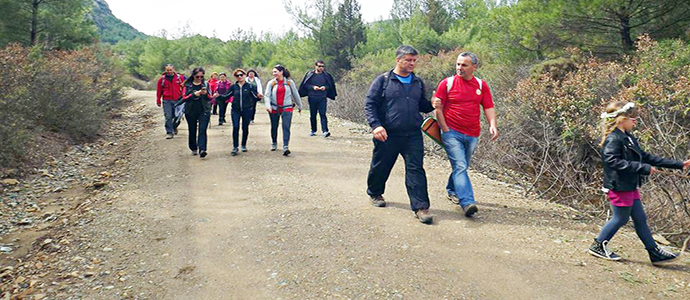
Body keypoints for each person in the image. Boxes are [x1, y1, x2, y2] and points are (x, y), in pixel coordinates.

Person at [588, 101, 690, 265]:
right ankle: (598, 245)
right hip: (618, 186)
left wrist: (679, 164)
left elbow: (646, 157)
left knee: (640, 218)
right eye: (632, 117)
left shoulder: (628, 137)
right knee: (620, 218)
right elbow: (612, 161)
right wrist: (641, 167)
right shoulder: (614, 138)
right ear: (621, 119)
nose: (635, 120)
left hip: (628, 185)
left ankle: (654, 253)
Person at [364, 45, 435, 224]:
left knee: (416, 169)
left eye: (414, 60)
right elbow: (370, 104)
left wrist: (432, 103)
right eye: (408, 60)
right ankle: (375, 193)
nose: (412, 63)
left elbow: (422, 106)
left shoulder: (417, 82)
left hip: (412, 134)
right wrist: (376, 126)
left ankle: (421, 207)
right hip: (387, 134)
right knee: (381, 166)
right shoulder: (383, 81)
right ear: (398, 60)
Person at [431, 52, 498, 217]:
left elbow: (488, 106)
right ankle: (467, 202)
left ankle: (452, 189)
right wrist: (444, 128)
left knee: (461, 166)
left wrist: (493, 125)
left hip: (473, 134)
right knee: (460, 166)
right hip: (451, 132)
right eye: (458, 64)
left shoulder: (481, 86)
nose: (460, 68)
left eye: (464, 65)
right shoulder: (447, 83)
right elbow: (437, 108)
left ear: (474, 67)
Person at [221, 69, 261, 155]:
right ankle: (235, 147)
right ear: (235, 77)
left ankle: (243, 144)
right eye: (237, 75)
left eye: (241, 75)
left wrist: (259, 97)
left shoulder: (250, 86)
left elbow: (255, 97)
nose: (239, 77)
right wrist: (218, 96)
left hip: (247, 109)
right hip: (235, 109)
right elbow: (226, 96)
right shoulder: (233, 87)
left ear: (245, 75)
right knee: (235, 127)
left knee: (245, 127)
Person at [263, 65, 302, 156]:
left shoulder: (289, 82)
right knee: (274, 126)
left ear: (281, 72)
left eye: (275, 72)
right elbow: (267, 95)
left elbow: (295, 94)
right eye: (273, 72)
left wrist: (299, 105)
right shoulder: (271, 83)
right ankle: (274, 142)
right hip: (274, 108)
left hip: (287, 107)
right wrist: (268, 106)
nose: (274, 73)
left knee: (286, 127)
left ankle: (285, 146)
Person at [180, 67, 214, 158]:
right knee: (192, 129)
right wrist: (194, 94)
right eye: (197, 76)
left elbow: (210, 98)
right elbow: (184, 98)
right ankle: (193, 147)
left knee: (202, 130)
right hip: (190, 110)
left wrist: (206, 94)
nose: (199, 78)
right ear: (193, 75)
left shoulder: (206, 84)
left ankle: (202, 149)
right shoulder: (187, 85)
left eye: (201, 76)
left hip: (204, 110)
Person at [298, 60, 337, 137]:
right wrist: (313, 87)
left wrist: (325, 87)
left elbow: (330, 86)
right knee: (313, 115)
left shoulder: (326, 75)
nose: (321, 68)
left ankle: (325, 131)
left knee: (323, 114)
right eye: (319, 66)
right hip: (312, 97)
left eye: (322, 66)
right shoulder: (310, 74)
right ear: (315, 66)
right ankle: (313, 130)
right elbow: (305, 85)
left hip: (322, 97)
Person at [156, 64, 185, 139]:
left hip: (178, 100)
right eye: (167, 70)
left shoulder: (179, 78)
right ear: (165, 70)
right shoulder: (162, 79)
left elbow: (184, 87)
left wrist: (185, 97)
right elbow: (159, 90)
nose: (169, 71)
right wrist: (158, 100)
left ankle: (174, 127)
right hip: (167, 100)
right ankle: (169, 132)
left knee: (177, 116)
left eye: (170, 70)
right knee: (168, 116)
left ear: (173, 69)